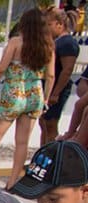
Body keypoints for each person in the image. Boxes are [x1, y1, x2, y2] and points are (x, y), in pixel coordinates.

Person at [0, 8, 55, 189]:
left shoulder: (16, 42)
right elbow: (51, 76)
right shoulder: (48, 46)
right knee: (22, 142)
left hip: (13, 94)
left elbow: (1, 69)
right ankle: (12, 181)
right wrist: (46, 99)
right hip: (35, 95)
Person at [39, 7, 79, 145]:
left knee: (50, 123)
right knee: (43, 122)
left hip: (58, 89)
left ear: (59, 24)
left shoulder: (68, 43)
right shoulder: (56, 42)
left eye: (49, 25)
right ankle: (42, 154)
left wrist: (55, 93)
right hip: (49, 88)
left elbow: (67, 70)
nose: (47, 28)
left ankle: (51, 157)